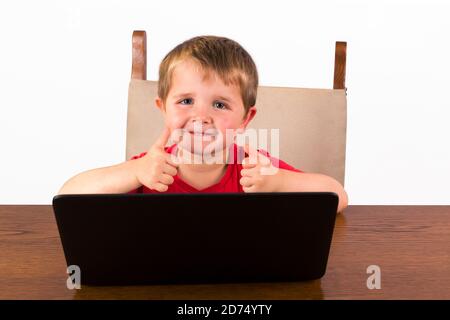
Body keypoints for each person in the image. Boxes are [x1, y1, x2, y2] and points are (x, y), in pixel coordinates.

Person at [58, 35, 348, 213]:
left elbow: (339, 197)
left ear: (246, 119)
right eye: (186, 101)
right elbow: (68, 196)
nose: (201, 117)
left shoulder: (253, 169)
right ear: (162, 108)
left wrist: (279, 182)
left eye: (220, 105)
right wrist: (134, 171)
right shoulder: (150, 170)